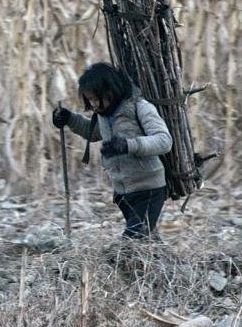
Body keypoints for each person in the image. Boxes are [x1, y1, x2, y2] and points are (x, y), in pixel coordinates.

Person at [52, 62, 173, 239]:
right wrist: (69, 118)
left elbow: (164, 140)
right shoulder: (104, 115)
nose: (93, 105)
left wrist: (128, 145)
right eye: (89, 100)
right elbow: (92, 133)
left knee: (130, 244)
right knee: (146, 240)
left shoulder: (140, 107)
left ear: (110, 92)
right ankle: (166, 264)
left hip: (148, 189)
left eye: (95, 99)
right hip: (123, 194)